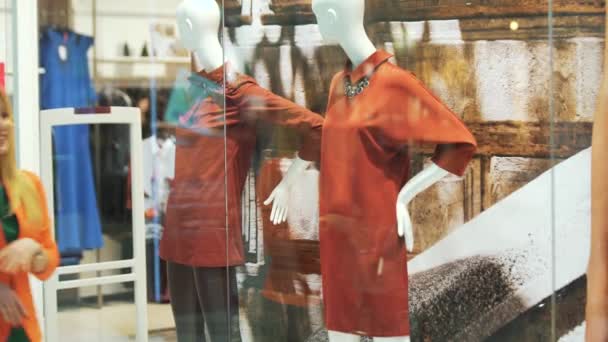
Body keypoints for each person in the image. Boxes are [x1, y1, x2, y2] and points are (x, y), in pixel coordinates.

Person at [0, 88, 59, 342]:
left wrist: (34, 251)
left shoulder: (29, 184)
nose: (3, 125)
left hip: (22, 327)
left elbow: (50, 254)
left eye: (4, 115)